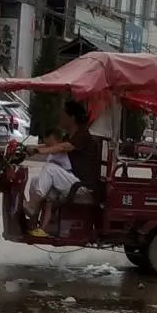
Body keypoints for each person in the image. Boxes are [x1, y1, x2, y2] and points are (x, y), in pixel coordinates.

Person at [23, 100, 101, 233]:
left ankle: (32, 206)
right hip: (72, 180)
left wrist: (38, 151)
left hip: (82, 186)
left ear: (72, 117)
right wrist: (27, 148)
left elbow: (63, 147)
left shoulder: (82, 135)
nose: (60, 117)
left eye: (63, 114)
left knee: (50, 169)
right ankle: (34, 220)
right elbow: (52, 146)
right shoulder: (69, 135)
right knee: (36, 180)